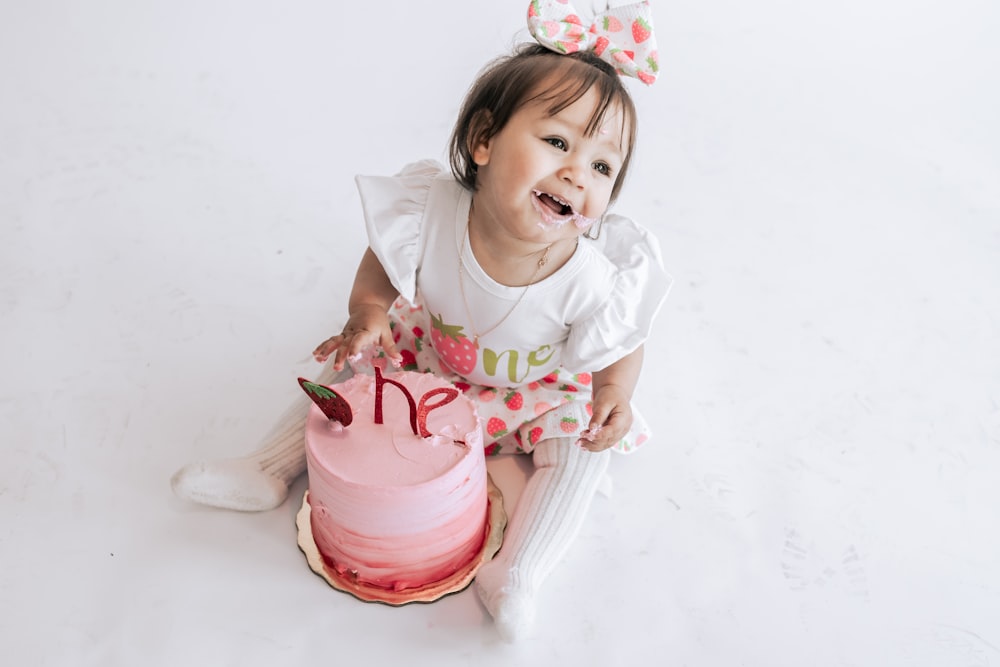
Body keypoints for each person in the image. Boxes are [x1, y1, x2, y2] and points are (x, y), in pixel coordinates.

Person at [172, 0, 670, 642]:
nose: (578, 172)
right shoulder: (433, 211)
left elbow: (624, 339)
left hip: (531, 390)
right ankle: (266, 467)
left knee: (578, 453)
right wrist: (369, 313)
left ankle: (518, 571)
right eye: (556, 142)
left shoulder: (590, 277)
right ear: (483, 140)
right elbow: (382, 260)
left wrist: (613, 393)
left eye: (602, 166)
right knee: (354, 365)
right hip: (432, 358)